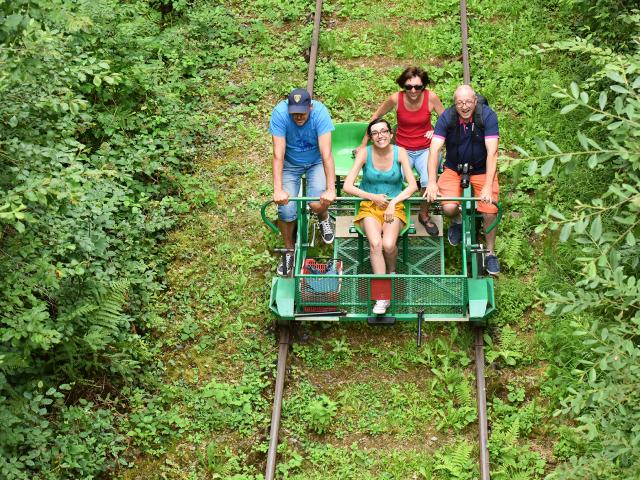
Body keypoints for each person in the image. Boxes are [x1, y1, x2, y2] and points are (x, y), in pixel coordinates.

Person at [424, 84, 501, 275]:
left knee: (490, 211)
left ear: (475, 101)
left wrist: (488, 186)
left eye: (468, 102)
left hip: (482, 169)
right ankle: (457, 220)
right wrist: (432, 182)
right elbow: (434, 150)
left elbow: (492, 152)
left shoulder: (488, 116)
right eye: (459, 103)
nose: (464, 106)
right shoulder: (447, 117)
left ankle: (491, 252)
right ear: (454, 104)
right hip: (454, 168)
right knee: (448, 206)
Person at [343, 118, 418, 314]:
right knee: (376, 244)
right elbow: (347, 185)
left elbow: (412, 185)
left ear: (390, 134)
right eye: (375, 133)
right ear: (371, 137)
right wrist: (372, 197)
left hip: (394, 206)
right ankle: (382, 296)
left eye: (383, 131)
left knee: (388, 245)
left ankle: (391, 271)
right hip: (370, 206)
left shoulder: (399, 152)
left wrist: (393, 202)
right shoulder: (365, 154)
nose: (380, 136)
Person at [358, 66, 445, 236]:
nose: (413, 91)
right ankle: (391, 211)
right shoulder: (395, 99)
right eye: (409, 87)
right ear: (403, 86)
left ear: (424, 86)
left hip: (425, 149)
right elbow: (376, 117)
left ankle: (423, 214)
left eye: (418, 87)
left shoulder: (431, 98)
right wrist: (363, 143)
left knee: (428, 181)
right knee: (396, 179)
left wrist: (436, 132)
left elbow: (446, 120)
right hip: (403, 149)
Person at [269, 88, 336, 276]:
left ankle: (323, 217)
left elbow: (327, 154)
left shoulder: (320, 114)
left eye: (302, 112)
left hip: (315, 161)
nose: (298, 117)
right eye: (294, 113)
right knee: (286, 209)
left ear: (310, 107)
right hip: (291, 163)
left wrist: (330, 189)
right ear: (288, 109)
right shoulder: (280, 114)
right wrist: (278, 189)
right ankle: (289, 251)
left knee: (317, 203)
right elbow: (277, 154)